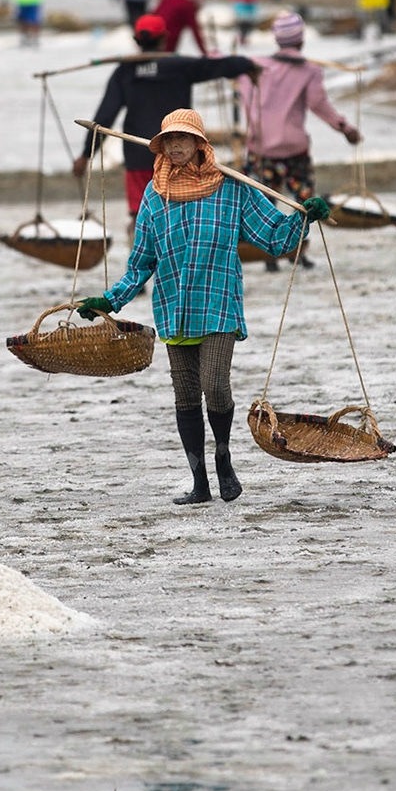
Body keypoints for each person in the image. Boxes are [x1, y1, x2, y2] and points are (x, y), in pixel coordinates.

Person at [78, 109, 330, 506]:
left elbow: (273, 237)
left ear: (200, 144)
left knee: (214, 385)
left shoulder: (231, 188)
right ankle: (199, 482)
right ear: (160, 147)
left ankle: (224, 458)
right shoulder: (154, 195)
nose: (176, 147)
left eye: (184, 139)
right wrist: (109, 301)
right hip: (174, 305)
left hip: (218, 302)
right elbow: (141, 262)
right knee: (184, 396)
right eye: (168, 141)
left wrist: (304, 218)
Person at [76, 14, 259, 222]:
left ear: (136, 41)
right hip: (178, 155)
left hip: (138, 155)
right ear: (164, 39)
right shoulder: (179, 66)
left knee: (141, 216)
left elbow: (104, 116)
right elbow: (216, 66)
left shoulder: (124, 72)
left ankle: (140, 251)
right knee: (179, 216)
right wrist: (246, 63)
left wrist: (85, 155)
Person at [240, 12, 361, 271]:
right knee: (304, 203)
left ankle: (269, 256)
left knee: (263, 205)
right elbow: (319, 105)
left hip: (260, 149)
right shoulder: (309, 69)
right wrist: (345, 129)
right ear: (302, 40)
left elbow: (242, 91)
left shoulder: (253, 66)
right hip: (294, 150)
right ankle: (299, 251)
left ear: (277, 40)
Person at [152, 0, 220, 55]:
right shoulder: (188, 4)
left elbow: (155, 11)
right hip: (168, 39)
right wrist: (205, 53)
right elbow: (195, 31)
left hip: (152, 34)